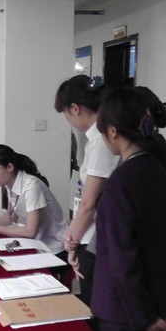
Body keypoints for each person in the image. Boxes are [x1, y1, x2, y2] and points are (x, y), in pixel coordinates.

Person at [93, 87, 166, 331]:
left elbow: (122, 259)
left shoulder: (121, 182)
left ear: (112, 130)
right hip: (150, 296)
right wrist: (159, 309)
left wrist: (144, 316)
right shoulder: (157, 169)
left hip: (122, 307)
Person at [54, 75, 120, 307]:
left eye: (65, 113)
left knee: (96, 304)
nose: (67, 119)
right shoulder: (97, 139)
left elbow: (88, 203)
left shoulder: (102, 141)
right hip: (90, 233)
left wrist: (70, 242)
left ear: (75, 108)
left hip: (96, 237)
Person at [0, 144, 67, 256]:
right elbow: (10, 217)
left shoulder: (31, 186)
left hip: (55, 249)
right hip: (36, 244)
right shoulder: (10, 184)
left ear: (9, 167)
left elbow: (30, 232)